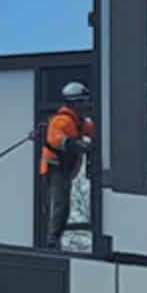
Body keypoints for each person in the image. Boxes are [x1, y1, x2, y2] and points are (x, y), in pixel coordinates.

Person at [40, 82, 95, 247]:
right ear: (74, 103)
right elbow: (55, 138)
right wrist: (74, 144)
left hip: (63, 169)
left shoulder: (78, 121)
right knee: (58, 204)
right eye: (82, 102)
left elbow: (93, 129)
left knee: (61, 205)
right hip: (54, 167)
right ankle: (51, 239)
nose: (85, 105)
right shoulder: (61, 120)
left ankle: (53, 236)